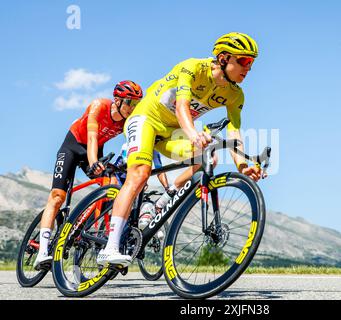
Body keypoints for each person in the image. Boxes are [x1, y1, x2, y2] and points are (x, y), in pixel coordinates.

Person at [97, 32, 263, 266]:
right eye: (244, 61)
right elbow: (182, 106)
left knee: (208, 159)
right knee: (140, 173)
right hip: (146, 119)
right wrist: (193, 134)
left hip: (171, 133)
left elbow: (234, 131)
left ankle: (161, 203)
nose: (249, 68)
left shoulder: (235, 94)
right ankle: (110, 247)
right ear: (224, 58)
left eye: (252, 63)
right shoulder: (192, 67)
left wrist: (243, 165)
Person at [33, 80, 143, 270]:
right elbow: (91, 138)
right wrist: (93, 164)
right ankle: (42, 252)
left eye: (136, 104)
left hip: (96, 150)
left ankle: (101, 232)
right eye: (129, 103)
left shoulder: (127, 120)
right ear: (117, 100)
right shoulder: (99, 106)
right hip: (73, 147)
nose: (132, 108)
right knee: (57, 197)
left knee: (112, 184)